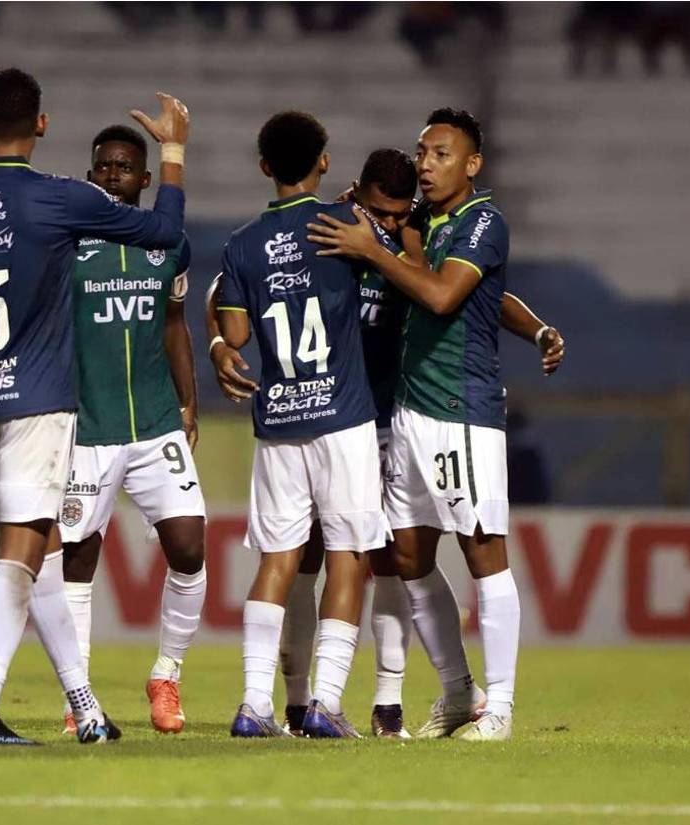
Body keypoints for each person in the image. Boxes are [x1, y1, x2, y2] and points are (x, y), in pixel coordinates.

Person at [213, 146, 564, 737]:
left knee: (386, 558)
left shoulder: (414, 234)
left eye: (403, 215)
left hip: (386, 414)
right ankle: (299, 702)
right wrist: (223, 344)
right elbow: (231, 285)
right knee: (322, 557)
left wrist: (537, 327)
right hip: (339, 413)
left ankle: (388, 701)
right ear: (355, 195)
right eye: (383, 212)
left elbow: (473, 292)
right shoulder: (334, 231)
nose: (394, 223)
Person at [0, 68, 189, 746]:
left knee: (39, 551)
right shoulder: (61, 198)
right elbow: (164, 232)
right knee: (21, 553)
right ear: (41, 126)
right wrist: (174, 154)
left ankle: (86, 707)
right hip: (39, 401)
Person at [307, 108, 524, 741]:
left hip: (460, 410)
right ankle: (459, 694)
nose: (427, 164)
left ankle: (503, 708)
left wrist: (374, 247)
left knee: (484, 553)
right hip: (407, 412)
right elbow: (489, 294)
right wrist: (376, 225)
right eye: (423, 152)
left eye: (442, 154)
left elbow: (444, 295)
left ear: (472, 164)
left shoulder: (486, 221)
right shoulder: (427, 223)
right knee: (404, 555)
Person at [217, 111, 390, 739]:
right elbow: (394, 271)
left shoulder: (240, 245)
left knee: (277, 560)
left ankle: (253, 704)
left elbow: (234, 333)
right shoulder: (345, 225)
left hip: (280, 418)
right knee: (348, 557)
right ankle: (327, 703)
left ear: (264, 166)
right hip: (343, 418)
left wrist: (219, 346)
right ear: (323, 161)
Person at [58, 125, 204, 735]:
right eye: (103, 166)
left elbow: (173, 323)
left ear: (147, 180)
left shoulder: (169, 247)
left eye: (124, 167)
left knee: (190, 548)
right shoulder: (67, 244)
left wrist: (189, 401)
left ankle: (166, 674)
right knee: (77, 562)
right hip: (87, 426)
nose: (113, 174)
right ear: (92, 175)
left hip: (154, 424)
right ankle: (78, 695)